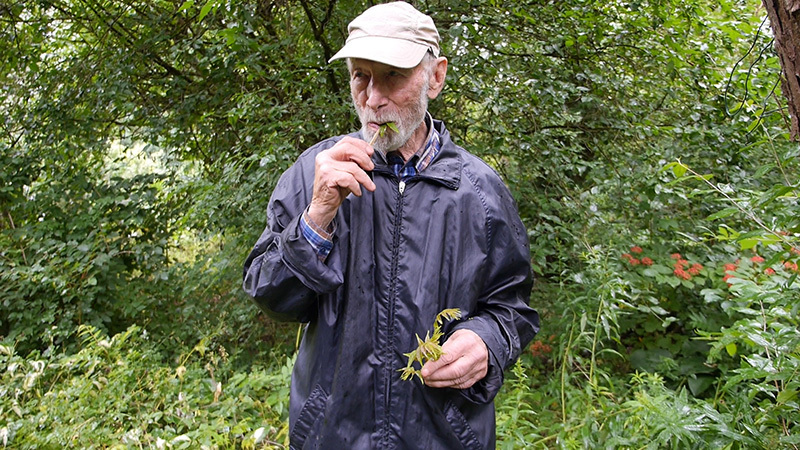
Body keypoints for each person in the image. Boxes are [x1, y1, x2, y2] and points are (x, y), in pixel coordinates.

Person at [242, 2, 539, 448]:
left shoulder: (480, 192)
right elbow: (270, 297)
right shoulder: (314, 173)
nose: (373, 98)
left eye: (393, 76)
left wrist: (487, 342)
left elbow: (511, 306)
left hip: (443, 437)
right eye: (361, 76)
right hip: (333, 437)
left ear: (435, 77)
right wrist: (317, 216)